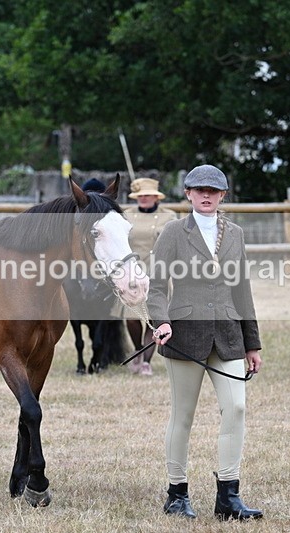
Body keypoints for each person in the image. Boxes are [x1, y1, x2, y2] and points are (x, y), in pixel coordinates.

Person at [147, 164, 264, 520]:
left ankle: (228, 497)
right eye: (200, 190)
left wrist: (252, 343)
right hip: (184, 335)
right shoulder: (172, 232)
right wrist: (161, 321)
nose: (207, 196)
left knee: (237, 408)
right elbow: (155, 286)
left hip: (227, 334)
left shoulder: (236, 235)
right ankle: (176, 494)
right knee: (183, 415)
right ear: (188, 194)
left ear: (223, 195)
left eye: (213, 191)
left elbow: (242, 289)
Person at [119, 178, 177, 376]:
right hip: (132, 273)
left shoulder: (169, 217)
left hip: (157, 273)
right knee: (132, 317)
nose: (143, 198)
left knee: (154, 317)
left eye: (147, 195)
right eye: (139, 195)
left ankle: (146, 362)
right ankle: (137, 350)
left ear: (156, 196)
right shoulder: (126, 216)